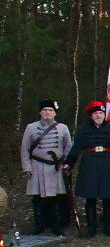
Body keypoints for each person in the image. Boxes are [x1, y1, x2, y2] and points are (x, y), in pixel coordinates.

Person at [64, 101, 110, 237]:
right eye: (96, 113)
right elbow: (76, 148)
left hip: (108, 162)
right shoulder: (83, 129)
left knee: (109, 197)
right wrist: (69, 164)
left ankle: (108, 227)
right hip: (89, 163)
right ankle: (91, 227)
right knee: (90, 197)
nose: (98, 115)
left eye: (101, 113)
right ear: (91, 115)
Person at [21, 99, 72, 236]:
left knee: (54, 199)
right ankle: (39, 224)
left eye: (50, 110)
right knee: (38, 198)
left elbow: (68, 147)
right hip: (37, 166)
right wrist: (27, 167)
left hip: (55, 167)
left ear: (54, 113)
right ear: (40, 112)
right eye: (45, 110)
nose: (47, 113)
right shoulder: (31, 128)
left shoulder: (62, 128)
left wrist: (65, 163)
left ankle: (55, 225)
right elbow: (25, 149)